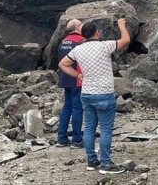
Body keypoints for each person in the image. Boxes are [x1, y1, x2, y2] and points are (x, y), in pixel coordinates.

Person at [59, 19, 131, 174]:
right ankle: (105, 163)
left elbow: (62, 64)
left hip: (86, 93)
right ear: (97, 33)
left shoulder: (78, 49)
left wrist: (78, 75)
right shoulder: (104, 46)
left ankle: (91, 160)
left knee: (90, 128)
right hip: (104, 93)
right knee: (105, 129)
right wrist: (121, 26)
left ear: (83, 34)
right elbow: (126, 40)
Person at [55, 19, 85, 148]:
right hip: (76, 78)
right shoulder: (81, 41)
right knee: (77, 109)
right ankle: (77, 139)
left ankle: (61, 138)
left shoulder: (63, 41)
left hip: (65, 78)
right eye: (81, 24)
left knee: (67, 107)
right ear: (78, 27)